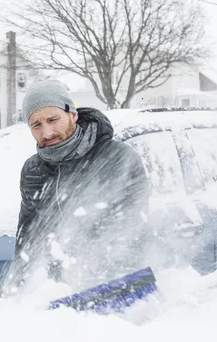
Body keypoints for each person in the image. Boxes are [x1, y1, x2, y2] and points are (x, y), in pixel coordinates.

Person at [13, 79, 151, 288]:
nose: (47, 133)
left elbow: (133, 225)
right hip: (60, 289)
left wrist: (93, 274)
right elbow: (28, 234)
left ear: (73, 115)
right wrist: (20, 283)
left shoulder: (118, 158)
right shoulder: (32, 171)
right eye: (37, 125)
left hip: (118, 283)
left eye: (53, 119)